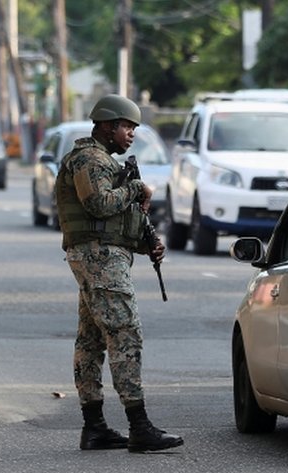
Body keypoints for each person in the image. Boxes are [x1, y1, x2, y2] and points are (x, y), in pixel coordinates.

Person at [54, 93, 183, 452]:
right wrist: (136, 188)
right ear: (108, 126)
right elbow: (98, 203)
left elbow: (109, 221)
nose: (131, 134)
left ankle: (95, 427)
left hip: (101, 255)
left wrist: (146, 244)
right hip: (99, 259)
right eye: (127, 127)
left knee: (92, 340)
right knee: (125, 333)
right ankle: (139, 427)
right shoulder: (90, 160)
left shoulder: (103, 161)